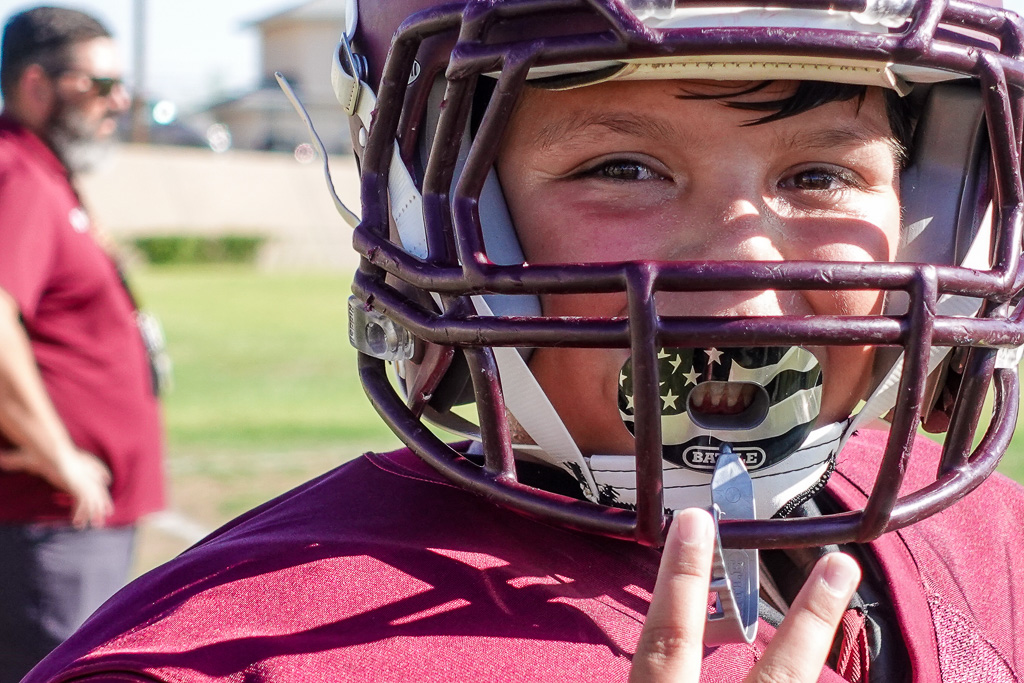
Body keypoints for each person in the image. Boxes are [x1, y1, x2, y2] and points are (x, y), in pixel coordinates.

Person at [22, 0, 1024, 681]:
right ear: (439, 214)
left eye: (819, 175)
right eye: (624, 167)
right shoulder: (233, 652)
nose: (747, 268)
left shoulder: (996, 544)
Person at [0, 7, 164, 682]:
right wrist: (60, 456)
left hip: (71, 521)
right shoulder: (16, 172)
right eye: (99, 85)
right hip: (51, 520)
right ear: (37, 85)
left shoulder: (43, 171)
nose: (118, 102)